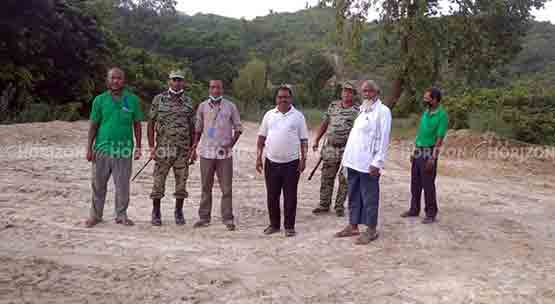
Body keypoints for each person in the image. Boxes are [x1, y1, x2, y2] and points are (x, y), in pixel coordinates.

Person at [334, 80, 392, 244]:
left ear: (377, 92)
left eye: (370, 91)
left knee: (369, 197)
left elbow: (384, 139)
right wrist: (346, 160)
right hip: (353, 161)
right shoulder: (363, 110)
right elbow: (355, 137)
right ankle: (353, 226)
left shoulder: (383, 111)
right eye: (364, 91)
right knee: (353, 195)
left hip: (369, 164)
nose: (366, 94)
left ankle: (371, 229)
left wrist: (378, 162)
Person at [85, 67, 144, 228]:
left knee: (123, 186)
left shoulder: (132, 100)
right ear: (107, 80)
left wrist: (138, 147)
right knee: (98, 185)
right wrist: (89, 148)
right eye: (112, 78)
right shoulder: (99, 100)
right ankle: (95, 216)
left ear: (123, 80)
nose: (115, 81)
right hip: (102, 149)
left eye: (118, 78)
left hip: (124, 150)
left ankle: (121, 215)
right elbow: (93, 125)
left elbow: (137, 125)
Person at [256, 85, 309, 237]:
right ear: (276, 99)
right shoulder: (269, 115)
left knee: (290, 196)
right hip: (271, 162)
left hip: (292, 164)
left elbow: (304, 140)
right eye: (280, 97)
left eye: (286, 97)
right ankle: (274, 225)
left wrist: (304, 159)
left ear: (291, 99)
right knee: (272, 195)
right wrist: (258, 157)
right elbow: (261, 138)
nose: (283, 100)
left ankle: (289, 226)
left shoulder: (298, 116)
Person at [190, 80, 243, 231]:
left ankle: (228, 218)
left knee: (226, 188)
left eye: (218, 87)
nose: (215, 90)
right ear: (209, 89)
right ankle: (204, 217)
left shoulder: (230, 106)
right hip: (206, 153)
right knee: (206, 187)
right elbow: (198, 129)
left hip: (224, 155)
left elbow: (238, 128)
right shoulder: (202, 106)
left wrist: (231, 144)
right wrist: (194, 146)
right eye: (212, 87)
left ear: (222, 89)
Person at [147, 70, 195, 226]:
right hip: (163, 148)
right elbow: (151, 124)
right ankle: (156, 212)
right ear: (169, 81)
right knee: (158, 180)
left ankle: (179, 211)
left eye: (180, 80)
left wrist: (193, 149)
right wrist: (151, 147)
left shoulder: (188, 101)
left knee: (181, 182)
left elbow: (193, 127)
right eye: (174, 80)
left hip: (183, 149)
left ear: (183, 82)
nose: (177, 82)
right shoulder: (158, 100)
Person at [400, 87, 448, 224]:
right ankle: (414, 210)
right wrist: (414, 151)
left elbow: (439, 138)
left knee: (428, 184)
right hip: (419, 150)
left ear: (435, 99)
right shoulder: (426, 113)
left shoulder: (442, 116)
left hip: (429, 151)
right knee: (415, 183)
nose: (425, 100)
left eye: (427, 98)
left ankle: (431, 214)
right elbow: (421, 133)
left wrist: (433, 157)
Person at [312, 82, 360, 217]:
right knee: (327, 177)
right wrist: (316, 139)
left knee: (344, 179)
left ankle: (339, 206)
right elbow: (325, 124)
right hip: (331, 147)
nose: (346, 93)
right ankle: (324, 204)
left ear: (354, 95)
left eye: (350, 91)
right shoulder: (333, 106)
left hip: (348, 149)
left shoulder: (358, 111)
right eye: (345, 91)